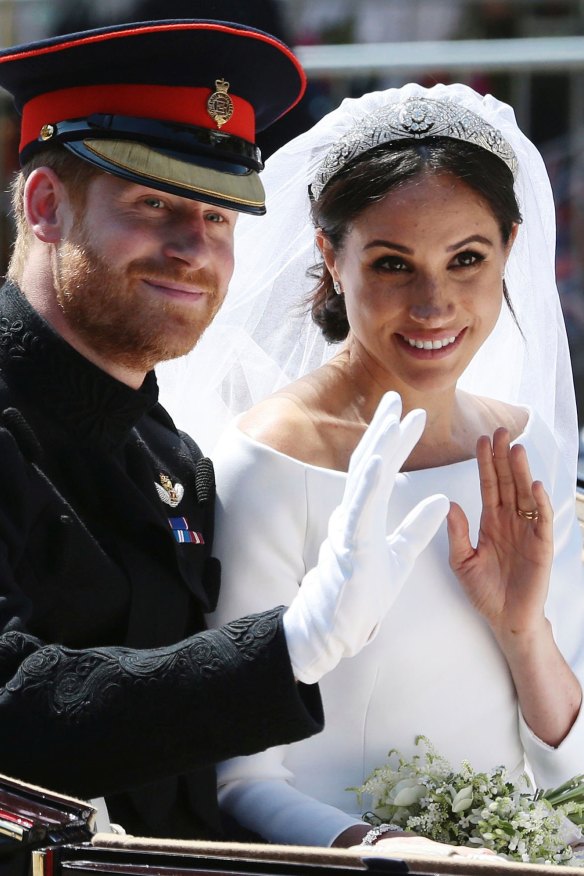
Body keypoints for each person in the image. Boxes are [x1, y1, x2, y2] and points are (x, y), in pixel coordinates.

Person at [0, 23, 449, 843]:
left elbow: (193, 774)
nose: (193, 250)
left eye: (219, 216)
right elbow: (14, 706)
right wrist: (289, 646)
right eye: (154, 203)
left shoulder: (169, 456)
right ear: (44, 206)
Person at [157, 82, 584, 853]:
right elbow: (240, 779)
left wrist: (526, 635)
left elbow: (569, 759)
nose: (434, 304)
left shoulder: (529, 448)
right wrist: (390, 854)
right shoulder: (269, 460)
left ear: (509, 252)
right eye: (393, 264)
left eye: (466, 259)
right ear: (331, 255)